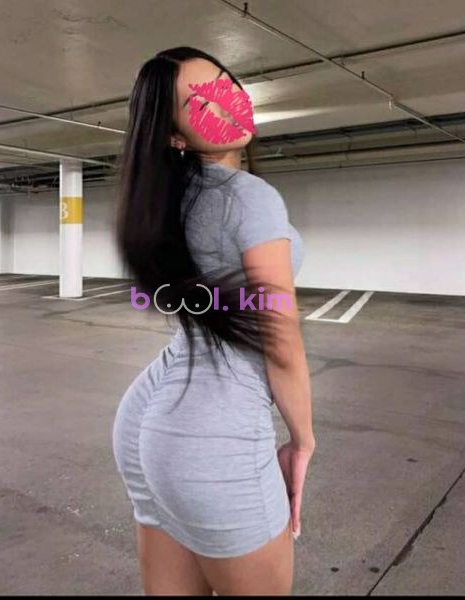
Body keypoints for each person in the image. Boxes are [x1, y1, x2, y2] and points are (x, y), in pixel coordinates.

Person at [112, 46, 315, 595]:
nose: (224, 102)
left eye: (224, 84)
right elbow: (280, 337)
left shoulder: (172, 202)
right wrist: (302, 440)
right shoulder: (249, 198)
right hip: (211, 435)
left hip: (148, 419)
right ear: (175, 136)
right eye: (200, 102)